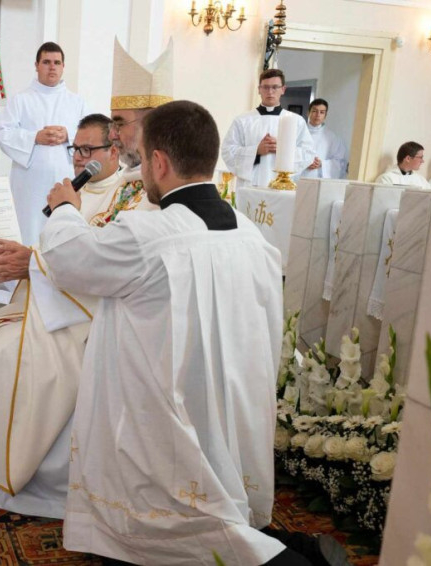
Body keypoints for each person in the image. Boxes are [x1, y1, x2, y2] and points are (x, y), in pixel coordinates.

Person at [42, 100, 310, 565]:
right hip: (228, 395)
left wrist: (65, 208)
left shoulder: (149, 233)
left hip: (167, 405)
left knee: (179, 515)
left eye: (143, 159)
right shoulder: (249, 232)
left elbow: (69, 259)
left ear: (159, 162)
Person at [0, 113, 156, 520]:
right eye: (75, 149)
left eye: (88, 150)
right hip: (62, 303)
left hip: (90, 315)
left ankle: (13, 467)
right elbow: (63, 251)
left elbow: (99, 265)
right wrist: (26, 258)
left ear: (114, 151)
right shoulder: (76, 192)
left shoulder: (130, 195)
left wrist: (32, 263)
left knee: (8, 352)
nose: (79, 158)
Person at [0, 41, 87, 246]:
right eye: (46, 62)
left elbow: (89, 137)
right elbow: (2, 132)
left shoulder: (77, 102)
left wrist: (69, 135)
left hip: (65, 177)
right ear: (36, 65)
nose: (52, 67)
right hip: (30, 183)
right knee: (29, 230)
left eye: (57, 62)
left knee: (62, 231)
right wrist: (34, 137)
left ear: (63, 66)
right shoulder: (20, 100)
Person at [222, 68, 315, 188]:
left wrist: (283, 149)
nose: (270, 92)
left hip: (282, 187)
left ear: (283, 89)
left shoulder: (296, 121)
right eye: (265, 87)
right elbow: (228, 151)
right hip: (250, 186)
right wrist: (256, 151)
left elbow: (308, 154)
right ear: (259, 89)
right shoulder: (243, 120)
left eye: (275, 87)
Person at [108, 39, 173, 177]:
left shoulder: (170, 181)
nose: (112, 135)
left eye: (119, 124)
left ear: (150, 126)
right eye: (112, 125)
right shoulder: (123, 178)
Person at [301, 98, 348, 179]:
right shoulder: (299, 133)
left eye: (322, 112)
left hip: (320, 180)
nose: (318, 115)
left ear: (325, 115)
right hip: (298, 178)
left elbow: (340, 163)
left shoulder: (332, 138)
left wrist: (322, 164)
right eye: (314, 111)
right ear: (308, 113)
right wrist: (304, 162)